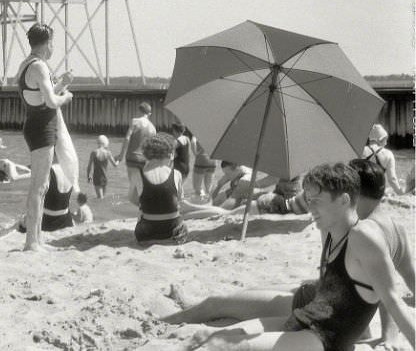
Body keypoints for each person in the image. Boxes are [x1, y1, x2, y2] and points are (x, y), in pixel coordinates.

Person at [164, 163, 415, 351]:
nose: (310, 208)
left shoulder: (365, 237)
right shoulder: (329, 228)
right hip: (307, 318)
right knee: (209, 338)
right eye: (309, 200)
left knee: (221, 346)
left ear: (345, 200)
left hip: (325, 339)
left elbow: (392, 300)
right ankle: (163, 324)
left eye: (317, 201)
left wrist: (391, 338)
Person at [16, 23, 73, 251]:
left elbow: (41, 95)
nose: (53, 47)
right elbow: (50, 101)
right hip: (41, 127)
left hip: (37, 124)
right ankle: (31, 242)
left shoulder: (27, 63)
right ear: (48, 43)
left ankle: (37, 238)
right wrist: (66, 97)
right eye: (52, 43)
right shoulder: (39, 66)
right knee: (39, 186)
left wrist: (62, 83)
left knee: (42, 184)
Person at [350, 158, 415, 348]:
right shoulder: (397, 228)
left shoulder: (362, 231)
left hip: (354, 321)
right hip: (375, 315)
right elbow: (409, 279)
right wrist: (389, 334)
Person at [132, 133, 189, 245]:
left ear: (145, 154)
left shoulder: (137, 174)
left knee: (141, 211)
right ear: (169, 153)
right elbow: (179, 202)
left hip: (146, 235)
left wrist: (144, 206)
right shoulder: (176, 174)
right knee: (182, 223)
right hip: (174, 234)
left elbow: (131, 198)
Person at [118, 102, 157, 205]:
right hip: (144, 161)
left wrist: (121, 155)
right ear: (150, 113)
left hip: (132, 159)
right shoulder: (153, 128)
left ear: (139, 111)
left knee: (132, 193)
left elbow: (127, 138)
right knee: (141, 188)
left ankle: (144, 210)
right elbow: (152, 148)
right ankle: (146, 209)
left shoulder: (135, 121)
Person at [362, 124, 407, 195]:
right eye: (385, 139)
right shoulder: (388, 154)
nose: (386, 143)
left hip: (362, 191)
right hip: (377, 192)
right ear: (380, 139)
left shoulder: (362, 151)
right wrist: (400, 192)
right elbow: (392, 179)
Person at [191, 130, 217, 201]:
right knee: (208, 187)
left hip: (201, 159)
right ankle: (209, 202)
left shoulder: (198, 132)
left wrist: (195, 154)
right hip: (212, 160)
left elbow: (193, 142)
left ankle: (200, 202)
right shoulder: (214, 133)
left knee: (197, 188)